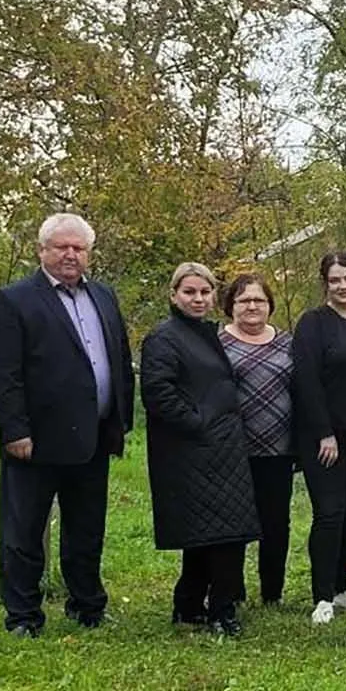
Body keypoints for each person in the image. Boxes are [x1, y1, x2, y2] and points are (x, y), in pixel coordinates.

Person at [0, 213, 135, 637]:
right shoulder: (15, 300)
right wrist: (15, 432)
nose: (71, 255)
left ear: (89, 254)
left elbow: (120, 359)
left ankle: (87, 605)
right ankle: (24, 617)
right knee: (25, 533)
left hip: (93, 437)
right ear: (42, 251)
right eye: (61, 247)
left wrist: (120, 420)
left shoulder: (103, 296)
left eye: (79, 248)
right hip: (36, 442)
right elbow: (4, 374)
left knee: (86, 530)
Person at [140, 263, 262, 635]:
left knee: (211, 532)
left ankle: (189, 604)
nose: (198, 299)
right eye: (190, 292)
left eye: (205, 292)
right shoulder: (165, 337)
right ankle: (222, 612)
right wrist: (199, 423)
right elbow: (158, 392)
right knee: (225, 535)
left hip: (221, 448)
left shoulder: (202, 334)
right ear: (174, 294)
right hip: (194, 450)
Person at [292, 252, 346, 624]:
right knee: (329, 513)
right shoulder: (313, 324)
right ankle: (322, 596)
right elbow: (305, 380)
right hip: (325, 438)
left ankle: (343, 588)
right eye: (335, 280)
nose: (343, 286)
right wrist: (324, 432)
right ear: (325, 284)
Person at [218, 274, 295, 608]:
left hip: (279, 448)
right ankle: (232, 591)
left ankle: (272, 593)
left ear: (269, 305)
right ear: (231, 306)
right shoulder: (218, 343)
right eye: (244, 300)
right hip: (233, 449)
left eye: (259, 300)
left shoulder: (287, 342)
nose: (252, 306)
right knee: (233, 523)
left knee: (276, 522)